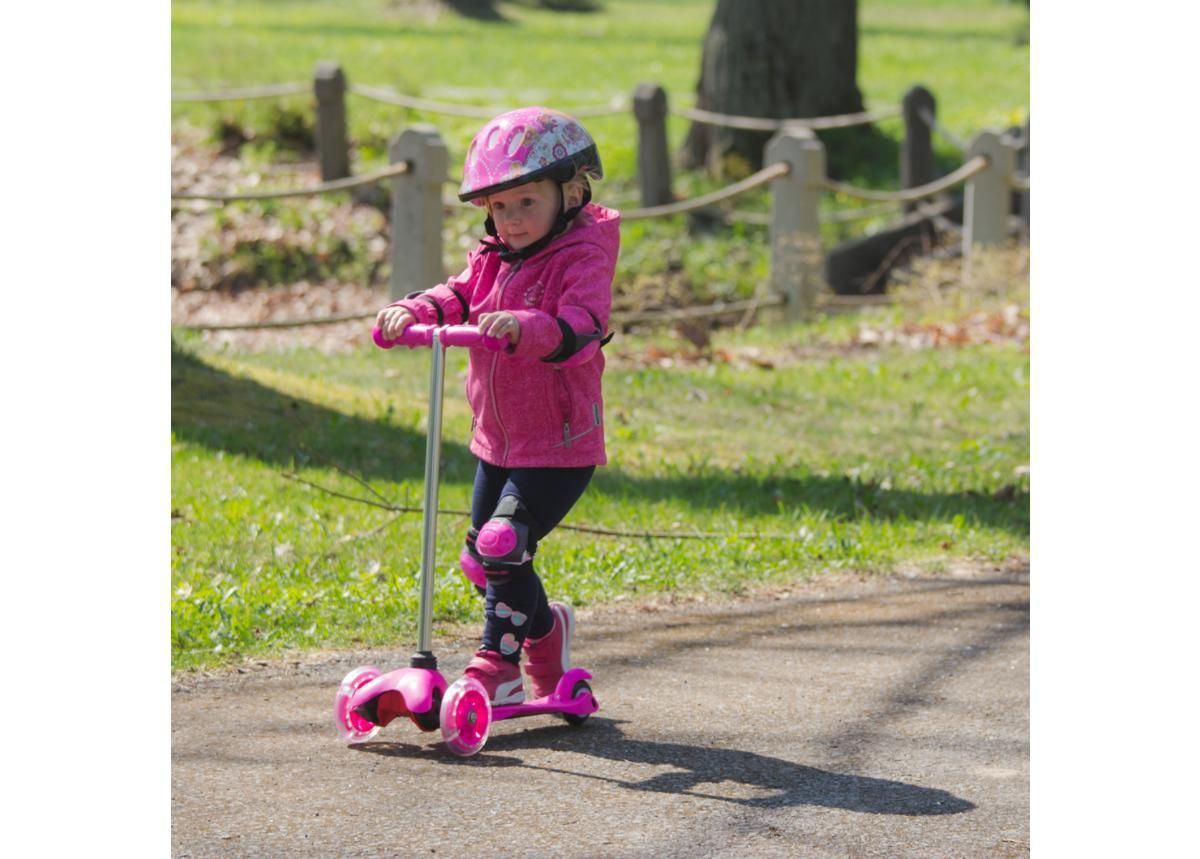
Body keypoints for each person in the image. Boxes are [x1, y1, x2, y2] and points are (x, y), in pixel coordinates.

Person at [375, 107, 619, 706]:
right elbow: (460, 294)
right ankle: (545, 633)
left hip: (559, 445)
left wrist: (526, 327)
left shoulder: (582, 255)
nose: (510, 220)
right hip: (498, 442)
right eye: (499, 207)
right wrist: (416, 311)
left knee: (503, 542)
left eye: (526, 203)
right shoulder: (493, 254)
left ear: (572, 192)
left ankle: (499, 666)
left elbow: (582, 325)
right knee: (481, 561)